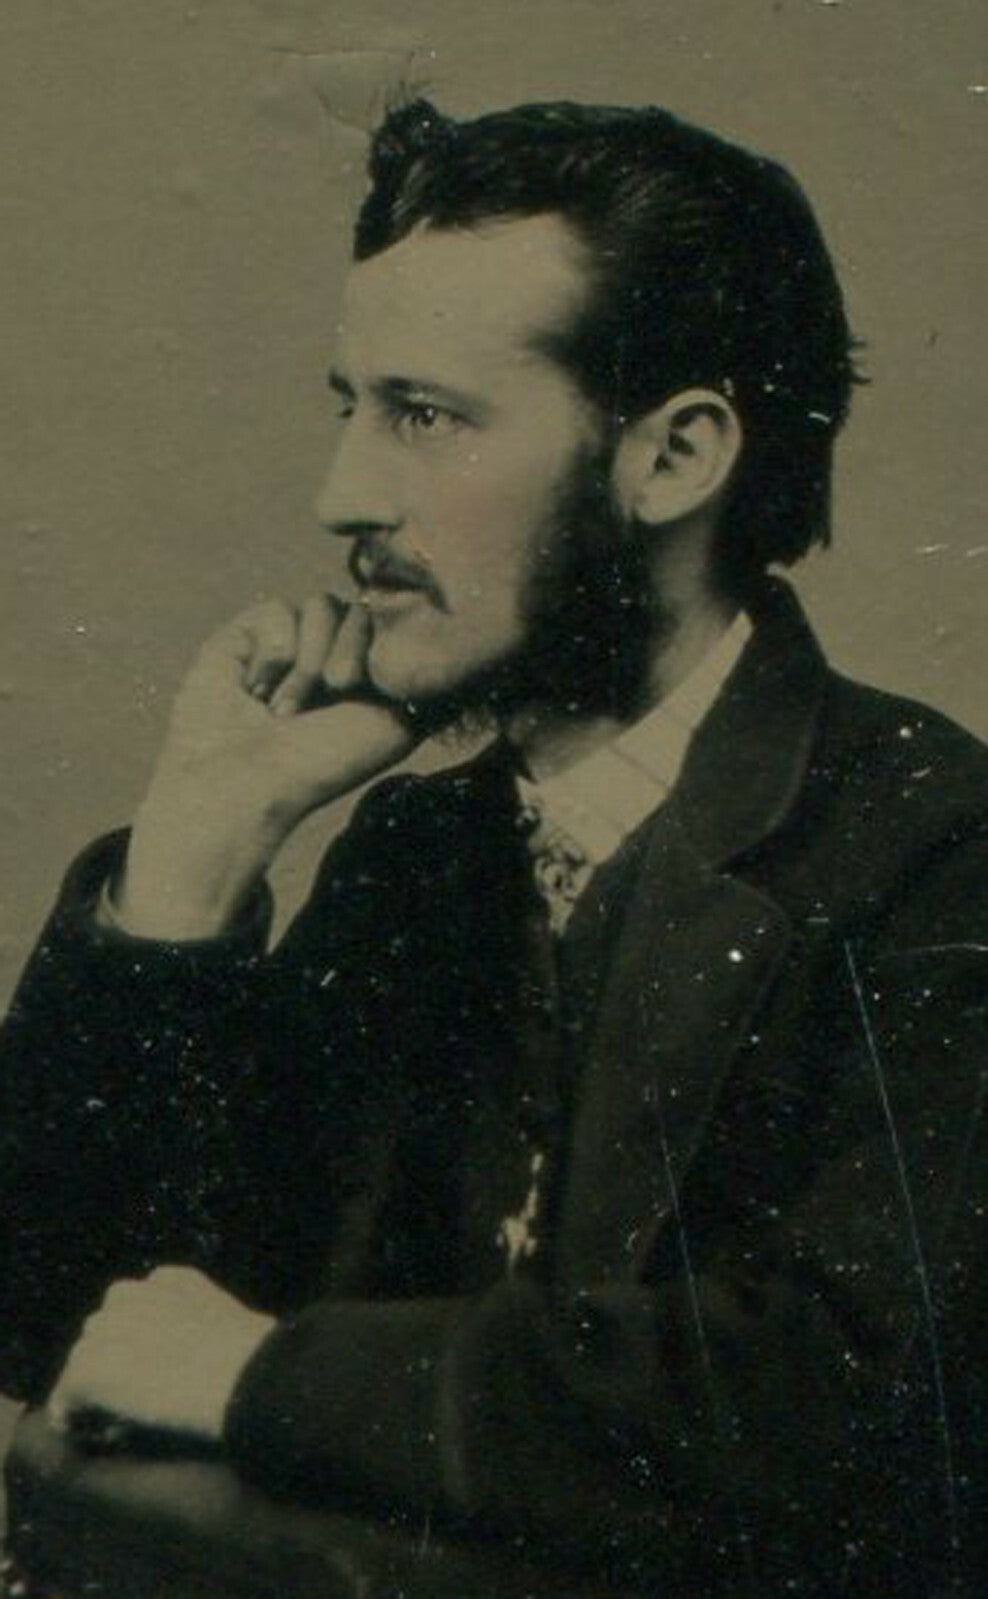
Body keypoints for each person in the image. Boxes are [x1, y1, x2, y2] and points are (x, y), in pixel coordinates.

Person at [1, 98, 986, 1597]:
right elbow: (78, 1328)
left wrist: (277, 1381)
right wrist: (194, 865)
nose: (344, 497)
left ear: (675, 457)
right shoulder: (418, 857)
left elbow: (858, 1393)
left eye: (427, 415)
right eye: (350, 404)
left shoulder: (929, 840)